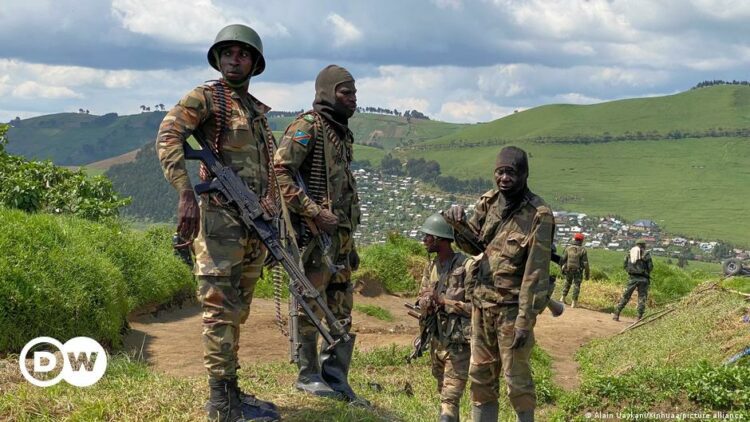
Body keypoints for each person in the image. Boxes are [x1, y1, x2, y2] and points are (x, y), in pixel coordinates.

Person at [156, 24, 280, 422]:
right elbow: (169, 135)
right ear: (218, 58)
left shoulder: (256, 113)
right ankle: (221, 404)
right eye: (227, 52)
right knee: (218, 310)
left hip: (252, 225)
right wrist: (185, 193)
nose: (234, 58)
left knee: (238, 309)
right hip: (219, 223)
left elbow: (270, 171)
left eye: (242, 54)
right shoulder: (206, 97)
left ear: (254, 62)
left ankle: (230, 391)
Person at [274, 65, 367, 404]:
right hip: (313, 238)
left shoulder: (340, 132)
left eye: (355, 93)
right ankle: (308, 375)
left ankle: (336, 377)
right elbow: (280, 173)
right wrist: (313, 211)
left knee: (341, 306)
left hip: (339, 239)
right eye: (346, 93)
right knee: (309, 306)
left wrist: (348, 239)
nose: (353, 99)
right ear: (327, 93)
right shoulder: (307, 127)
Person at [445, 146, 554, 422]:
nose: (504, 178)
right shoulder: (489, 202)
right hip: (482, 305)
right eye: (500, 172)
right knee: (480, 375)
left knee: (516, 379)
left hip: (511, 310)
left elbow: (535, 273)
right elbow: (473, 246)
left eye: (511, 172)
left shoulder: (539, 214)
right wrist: (458, 224)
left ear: (524, 174)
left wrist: (524, 321)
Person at [417, 213, 473, 422]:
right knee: (443, 391)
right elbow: (422, 294)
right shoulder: (431, 266)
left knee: (450, 398)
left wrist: (443, 302)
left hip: (458, 344)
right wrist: (425, 303)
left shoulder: (466, 267)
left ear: (440, 239)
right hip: (436, 339)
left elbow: (477, 308)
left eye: (428, 236)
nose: (424, 240)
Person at [612, 239, 653, 321]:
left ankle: (616, 314)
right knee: (642, 298)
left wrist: (630, 271)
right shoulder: (646, 254)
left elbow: (625, 265)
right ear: (643, 245)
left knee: (625, 296)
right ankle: (638, 317)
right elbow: (650, 267)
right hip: (644, 279)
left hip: (632, 278)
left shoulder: (629, 253)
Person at [559, 233, 590, 308]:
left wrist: (562, 269)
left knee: (567, 283)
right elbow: (585, 263)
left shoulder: (568, 248)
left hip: (568, 269)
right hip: (578, 271)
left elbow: (563, 260)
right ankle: (573, 303)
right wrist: (587, 274)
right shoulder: (583, 250)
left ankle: (562, 298)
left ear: (574, 239)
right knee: (576, 285)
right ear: (582, 240)